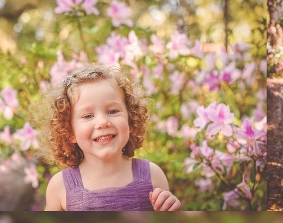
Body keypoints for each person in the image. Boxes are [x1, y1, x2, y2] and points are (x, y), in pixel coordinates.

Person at [36, 64, 181, 211]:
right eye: (88, 116)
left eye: (112, 111)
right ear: (69, 132)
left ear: (130, 119)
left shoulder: (153, 175)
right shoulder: (59, 187)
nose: (103, 122)